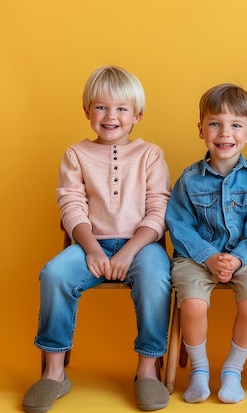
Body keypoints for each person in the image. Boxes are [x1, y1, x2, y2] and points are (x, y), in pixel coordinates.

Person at [22, 66, 172, 413]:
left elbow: (158, 210)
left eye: (121, 109)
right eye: (101, 107)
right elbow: (71, 206)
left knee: (155, 277)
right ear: (87, 111)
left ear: (137, 114)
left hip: (142, 245)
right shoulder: (76, 154)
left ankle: (147, 370)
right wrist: (91, 249)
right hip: (91, 242)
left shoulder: (150, 155)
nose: (111, 116)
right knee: (54, 275)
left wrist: (130, 251)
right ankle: (54, 373)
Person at [165, 84, 247, 405]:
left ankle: (232, 370)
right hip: (197, 256)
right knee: (193, 304)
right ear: (201, 130)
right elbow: (179, 225)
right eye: (215, 123)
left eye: (235, 125)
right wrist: (209, 256)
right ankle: (199, 370)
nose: (225, 132)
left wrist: (238, 258)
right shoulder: (189, 179)